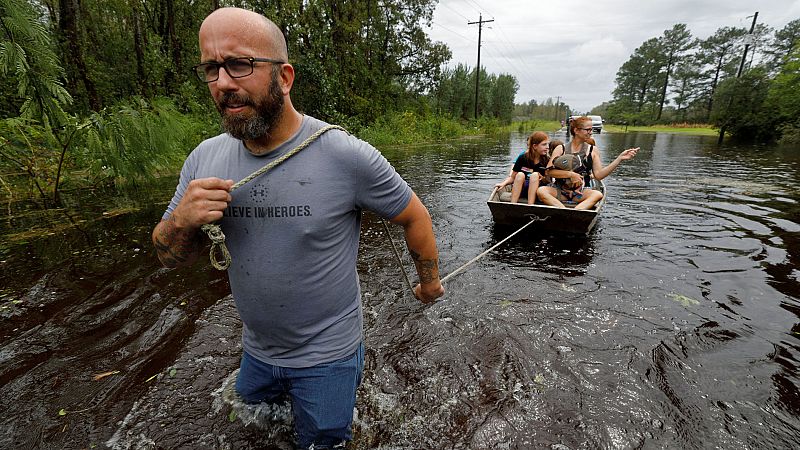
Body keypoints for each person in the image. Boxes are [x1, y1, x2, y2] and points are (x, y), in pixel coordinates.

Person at [151, 7, 444, 449]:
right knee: (240, 421)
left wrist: (430, 283)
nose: (224, 83)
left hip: (328, 356)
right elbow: (167, 256)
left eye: (240, 64)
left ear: (284, 77)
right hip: (257, 351)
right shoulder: (203, 160)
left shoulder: (346, 155)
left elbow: (414, 215)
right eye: (211, 68)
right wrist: (182, 220)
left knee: (323, 442)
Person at [538, 116, 639, 210]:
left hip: (581, 193)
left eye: (591, 129)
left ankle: (576, 212)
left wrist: (619, 159)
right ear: (576, 130)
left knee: (597, 195)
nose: (591, 133)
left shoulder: (593, 150)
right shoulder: (561, 148)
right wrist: (570, 174)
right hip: (561, 191)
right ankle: (563, 210)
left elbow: (598, 175)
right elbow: (548, 172)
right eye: (588, 130)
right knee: (541, 191)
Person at [494, 131, 550, 204]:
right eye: (544, 144)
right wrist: (503, 184)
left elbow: (549, 181)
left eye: (547, 144)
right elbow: (513, 177)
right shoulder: (523, 157)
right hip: (522, 190)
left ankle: (530, 206)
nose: (547, 147)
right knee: (520, 174)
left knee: (535, 175)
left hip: (537, 192)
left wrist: (542, 178)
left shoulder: (547, 160)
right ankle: (512, 204)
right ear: (535, 146)